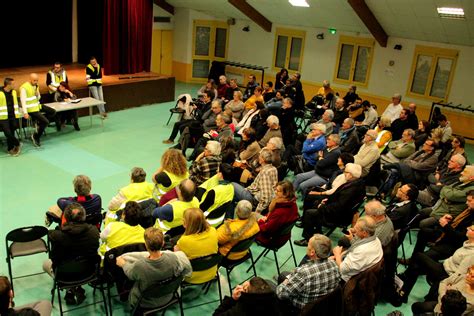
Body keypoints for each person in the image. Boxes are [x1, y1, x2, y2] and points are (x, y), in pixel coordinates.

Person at [115, 227, 192, 309]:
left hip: (145, 302)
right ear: (163, 243)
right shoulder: (173, 258)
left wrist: (123, 264)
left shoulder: (140, 266)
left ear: (146, 245)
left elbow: (130, 274)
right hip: (168, 296)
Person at [295, 163, 365, 246]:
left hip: (338, 216)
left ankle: (308, 239)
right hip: (341, 211)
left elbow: (339, 206)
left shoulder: (351, 190)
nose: (344, 173)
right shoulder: (357, 183)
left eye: (345, 172)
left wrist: (323, 206)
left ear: (350, 174)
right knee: (316, 204)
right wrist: (327, 200)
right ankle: (317, 231)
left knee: (309, 213)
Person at [43, 203, 100, 305]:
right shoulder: (94, 231)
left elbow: (54, 259)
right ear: (83, 217)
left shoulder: (55, 235)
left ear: (65, 218)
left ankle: (70, 289)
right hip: (89, 271)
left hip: (64, 275)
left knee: (46, 264)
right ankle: (77, 288)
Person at [276, 234, 340, 312]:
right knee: (284, 274)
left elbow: (281, 294)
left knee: (278, 285)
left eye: (308, 245)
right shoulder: (334, 264)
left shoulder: (304, 272)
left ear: (312, 252)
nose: (307, 247)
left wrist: (285, 282)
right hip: (321, 305)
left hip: (303, 309)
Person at [332, 216, 383, 282]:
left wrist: (337, 255)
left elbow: (342, 269)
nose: (353, 229)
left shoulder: (361, 251)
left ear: (364, 233)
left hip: (348, 278)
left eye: (356, 228)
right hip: (359, 268)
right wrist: (352, 239)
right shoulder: (376, 239)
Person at [175, 208, 218, 284]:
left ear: (186, 223)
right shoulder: (213, 231)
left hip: (192, 277)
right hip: (211, 272)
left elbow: (177, 258)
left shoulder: (184, 240)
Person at [232, 149, 278, 213]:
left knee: (232, 184)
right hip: (253, 192)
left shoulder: (265, 173)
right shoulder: (273, 168)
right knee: (231, 197)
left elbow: (266, 197)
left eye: (260, 156)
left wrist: (257, 212)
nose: (258, 157)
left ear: (263, 159)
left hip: (252, 198)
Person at [20, 73, 58, 147]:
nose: (36, 82)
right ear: (30, 79)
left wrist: (38, 95)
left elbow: (38, 98)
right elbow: (23, 101)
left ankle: (39, 124)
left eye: (37, 80)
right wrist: (25, 112)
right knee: (46, 122)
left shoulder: (36, 85)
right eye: (34, 80)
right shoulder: (24, 88)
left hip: (38, 106)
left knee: (53, 112)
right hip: (30, 109)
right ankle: (36, 136)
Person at [257, 180, 298, 245]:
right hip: (282, 236)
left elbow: (266, 229)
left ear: (286, 194)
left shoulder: (280, 212)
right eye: (275, 190)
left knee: (249, 219)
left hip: (271, 239)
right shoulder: (292, 203)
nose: (275, 192)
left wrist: (260, 222)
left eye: (278, 191)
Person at [213, 277, 279, 316]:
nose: (245, 282)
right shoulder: (274, 299)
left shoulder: (240, 310)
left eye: (246, 288)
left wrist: (232, 299)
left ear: (248, 295)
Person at [0, 78, 21, 156]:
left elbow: (15, 103)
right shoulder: (0, 92)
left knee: (12, 132)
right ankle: (17, 143)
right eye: (13, 84)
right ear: (8, 85)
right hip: (3, 117)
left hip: (13, 115)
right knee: (8, 133)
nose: (15, 85)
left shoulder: (14, 92)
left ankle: (10, 148)